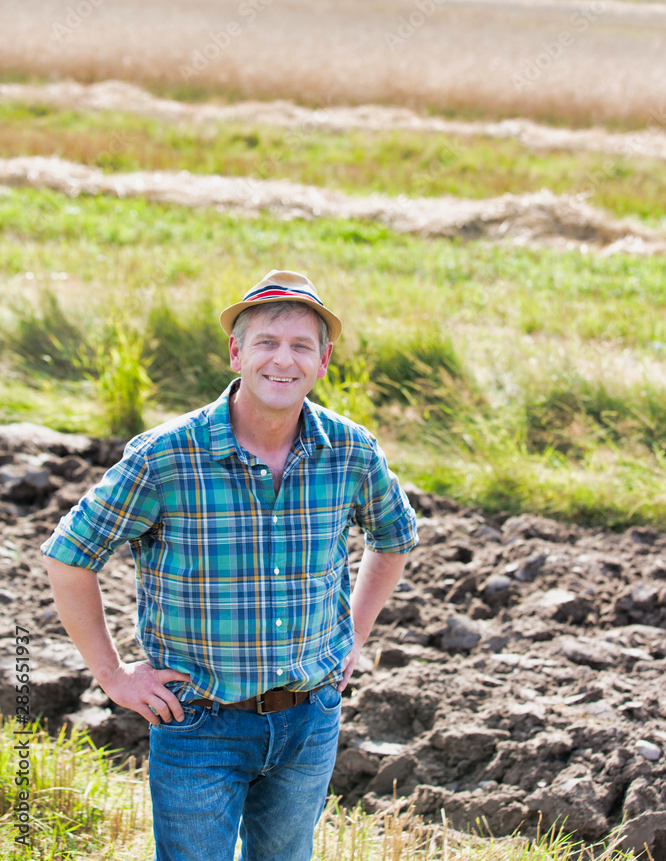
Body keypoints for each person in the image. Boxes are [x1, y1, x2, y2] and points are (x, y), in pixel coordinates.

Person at [41, 269, 418, 861]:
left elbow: (394, 539)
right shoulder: (166, 457)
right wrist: (113, 676)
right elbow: (69, 558)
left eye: (301, 346)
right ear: (237, 352)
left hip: (309, 719)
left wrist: (356, 635)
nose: (283, 360)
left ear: (323, 363)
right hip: (198, 724)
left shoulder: (352, 452)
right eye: (267, 342)